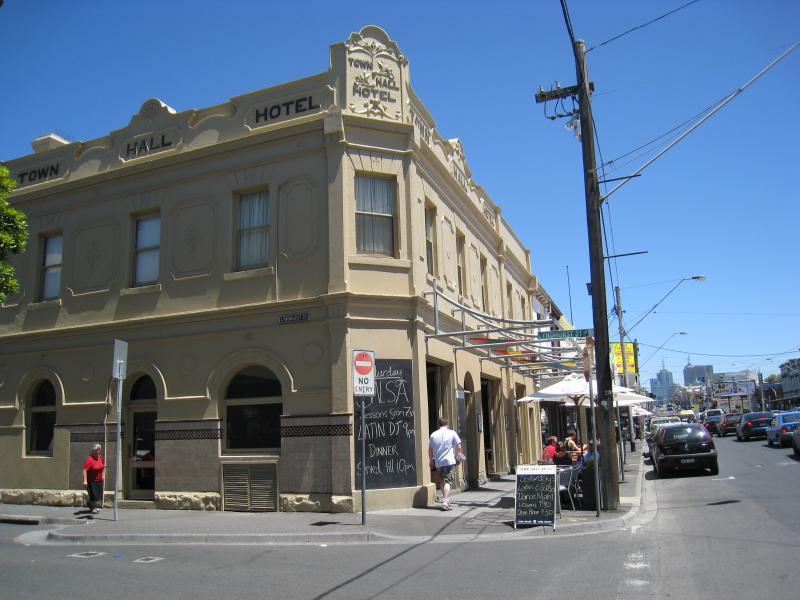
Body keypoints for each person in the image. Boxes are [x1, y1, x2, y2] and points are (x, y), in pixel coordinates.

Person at [428, 417, 463, 511]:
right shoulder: (452, 433)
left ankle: (446, 501)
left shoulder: (433, 435)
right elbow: (459, 446)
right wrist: (457, 456)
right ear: (447, 424)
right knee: (448, 482)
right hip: (449, 461)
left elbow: (430, 449)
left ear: (439, 424)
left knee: (442, 482)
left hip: (438, 462)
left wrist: (431, 461)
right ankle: (445, 502)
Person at [82, 443, 105, 514]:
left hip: (99, 480)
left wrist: (103, 475)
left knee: (98, 496)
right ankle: (93, 508)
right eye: (96, 450)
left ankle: (90, 504)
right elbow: (84, 470)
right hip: (91, 481)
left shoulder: (100, 457)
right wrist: (85, 481)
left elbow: (103, 466)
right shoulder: (89, 459)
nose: (98, 452)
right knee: (93, 495)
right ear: (93, 451)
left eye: (99, 450)